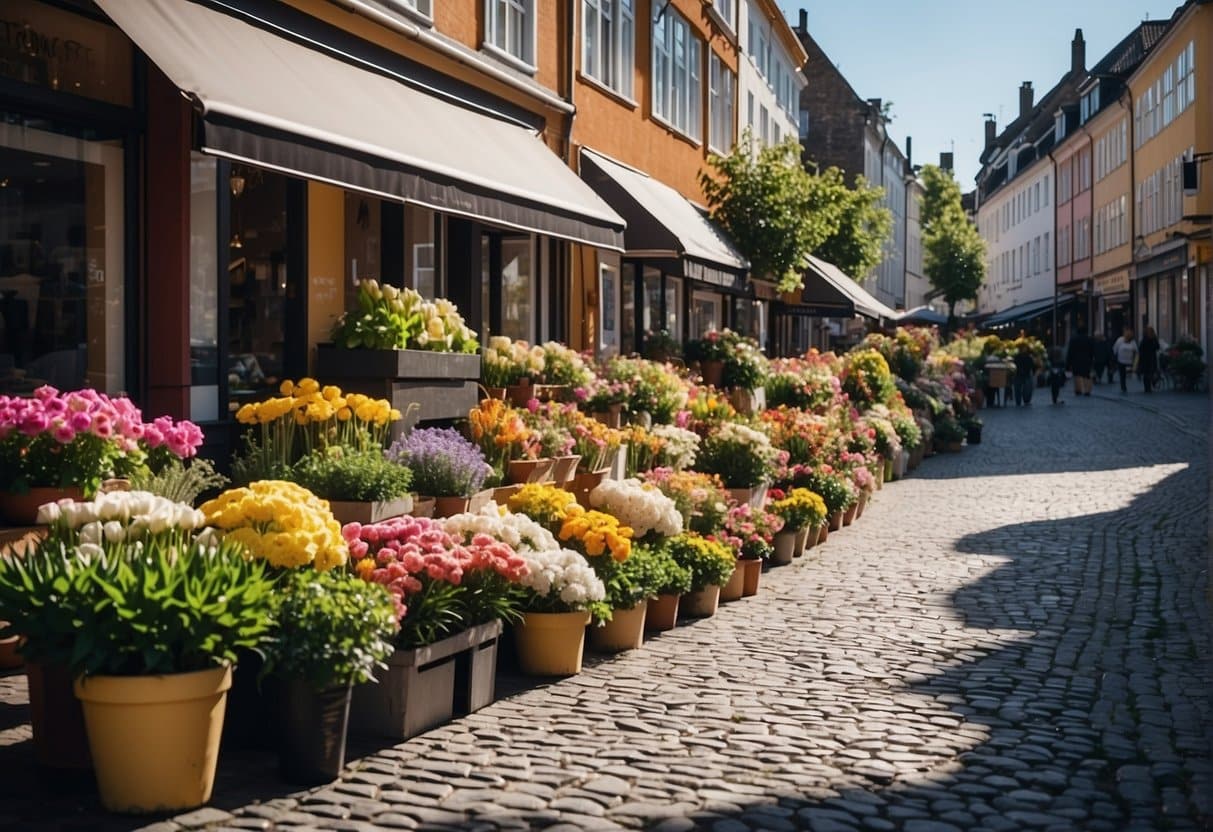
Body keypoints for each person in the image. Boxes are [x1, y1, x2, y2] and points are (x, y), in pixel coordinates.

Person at [1066, 326, 1094, 396]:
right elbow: (1092, 350)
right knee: (1086, 375)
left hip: (1076, 360)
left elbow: (1070, 352)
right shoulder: (1089, 339)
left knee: (1077, 375)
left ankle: (1078, 389)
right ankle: (1087, 390)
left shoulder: (1073, 339)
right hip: (1087, 359)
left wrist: (1068, 363)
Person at [1111, 327, 1138, 394]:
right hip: (1129, 361)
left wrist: (1114, 356)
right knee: (1123, 374)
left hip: (1121, 360)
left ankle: (1123, 387)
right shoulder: (1132, 342)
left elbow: (1115, 349)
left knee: (1122, 375)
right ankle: (1123, 386)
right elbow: (1136, 351)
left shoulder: (1120, 340)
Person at [1138, 326, 1160, 393]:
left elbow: (1141, 349)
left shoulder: (1144, 340)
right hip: (1152, 358)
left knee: (1146, 373)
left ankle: (1147, 387)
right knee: (1151, 372)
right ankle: (1150, 385)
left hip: (1145, 359)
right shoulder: (1154, 339)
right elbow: (1157, 347)